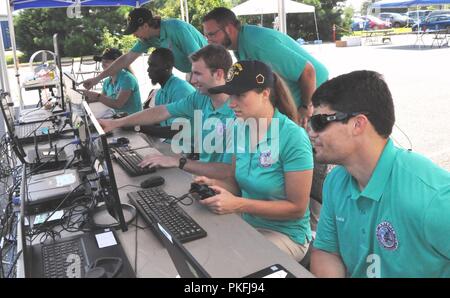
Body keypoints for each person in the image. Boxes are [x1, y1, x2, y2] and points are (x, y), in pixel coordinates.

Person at [308, 70, 450, 277]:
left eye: (319, 122)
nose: (311, 131)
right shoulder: (335, 182)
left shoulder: (432, 197)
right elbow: (327, 250)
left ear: (358, 124)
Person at [195, 60, 314, 262]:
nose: (231, 103)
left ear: (265, 93)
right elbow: (234, 181)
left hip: (285, 234)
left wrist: (238, 205)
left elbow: (297, 208)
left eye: (240, 95)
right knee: (201, 249)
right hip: (248, 222)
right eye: (230, 94)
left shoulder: (293, 137)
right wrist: (213, 185)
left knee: (231, 263)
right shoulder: (239, 127)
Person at [98, 44, 235, 179]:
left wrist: (177, 162)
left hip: (219, 185)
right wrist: (116, 123)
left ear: (218, 74)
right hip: (202, 175)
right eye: (192, 73)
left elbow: (228, 170)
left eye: (198, 74)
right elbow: (162, 111)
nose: (192, 80)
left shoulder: (237, 112)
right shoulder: (201, 97)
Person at [202, 7, 329, 128]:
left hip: (316, 95)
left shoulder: (257, 44)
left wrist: (306, 107)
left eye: (212, 34)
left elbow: (308, 71)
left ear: (229, 29)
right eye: (206, 36)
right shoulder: (240, 44)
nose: (208, 40)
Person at [82, 7, 207, 89]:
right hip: (193, 71)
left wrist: (196, 81)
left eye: (135, 30)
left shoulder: (176, 28)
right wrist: (96, 79)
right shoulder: (148, 38)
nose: (134, 35)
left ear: (146, 25)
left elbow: (198, 59)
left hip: (208, 68)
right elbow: (126, 59)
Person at [141, 48, 196, 138]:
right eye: (149, 65)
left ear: (167, 67)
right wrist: (130, 121)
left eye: (153, 65)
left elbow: (177, 131)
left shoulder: (181, 90)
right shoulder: (160, 93)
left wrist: (138, 127)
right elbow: (159, 124)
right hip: (171, 145)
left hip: (187, 147)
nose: (148, 70)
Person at [80, 48, 142, 115]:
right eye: (102, 61)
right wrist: (84, 97)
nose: (103, 64)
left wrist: (96, 95)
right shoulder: (107, 81)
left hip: (132, 121)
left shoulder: (127, 78)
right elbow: (103, 99)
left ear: (118, 63)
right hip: (116, 118)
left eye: (106, 61)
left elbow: (118, 104)